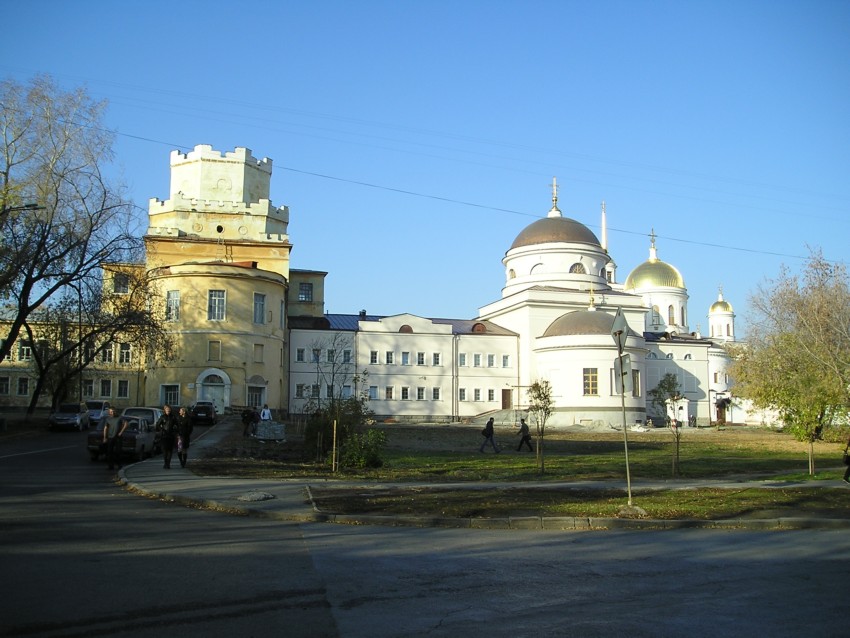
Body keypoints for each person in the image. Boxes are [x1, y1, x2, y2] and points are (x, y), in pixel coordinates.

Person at [155, 405, 179, 469]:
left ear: (170, 410)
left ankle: (168, 464)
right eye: (167, 409)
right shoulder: (162, 417)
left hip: (171, 436)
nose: (168, 410)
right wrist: (161, 429)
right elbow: (157, 425)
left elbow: (177, 425)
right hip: (164, 436)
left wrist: (175, 430)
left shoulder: (173, 417)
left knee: (170, 451)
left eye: (169, 409)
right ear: (165, 410)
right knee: (164, 450)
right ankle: (165, 463)